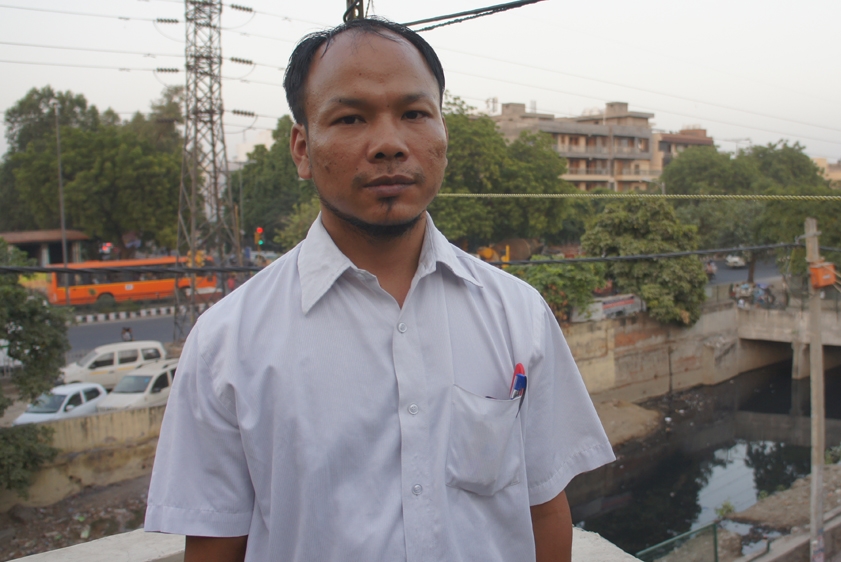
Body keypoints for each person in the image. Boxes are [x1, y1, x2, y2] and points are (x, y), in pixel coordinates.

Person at [144, 17, 614, 562]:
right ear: (301, 148)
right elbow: (216, 543)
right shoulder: (227, 343)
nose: (389, 144)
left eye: (415, 114)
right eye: (350, 118)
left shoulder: (517, 313)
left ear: (443, 135)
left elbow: (544, 509)